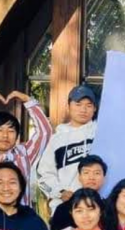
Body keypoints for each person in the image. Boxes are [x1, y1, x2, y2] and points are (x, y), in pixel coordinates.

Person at [37, 83, 98, 211]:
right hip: (65, 206)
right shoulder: (56, 139)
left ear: (95, 109)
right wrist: (60, 192)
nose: (83, 109)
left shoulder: (101, 134)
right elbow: (44, 174)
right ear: (68, 106)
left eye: (88, 105)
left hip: (96, 206)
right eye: (78, 104)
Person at [49, 155, 107, 230]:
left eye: (97, 173)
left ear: (104, 178)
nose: (91, 177)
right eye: (86, 173)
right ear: (79, 177)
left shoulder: (109, 207)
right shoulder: (63, 209)